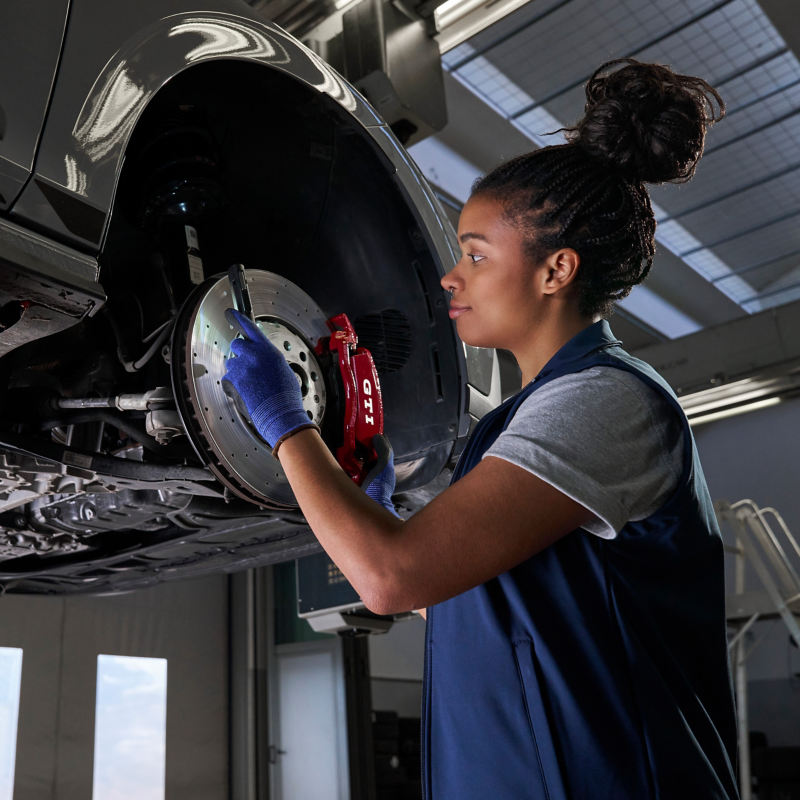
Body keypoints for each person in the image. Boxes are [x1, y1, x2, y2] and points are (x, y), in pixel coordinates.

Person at [223, 58, 738, 800]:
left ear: (555, 270)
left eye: (474, 254)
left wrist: (284, 421)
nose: (449, 278)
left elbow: (388, 579)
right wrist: (384, 514)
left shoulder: (605, 400)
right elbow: (477, 600)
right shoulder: (522, 419)